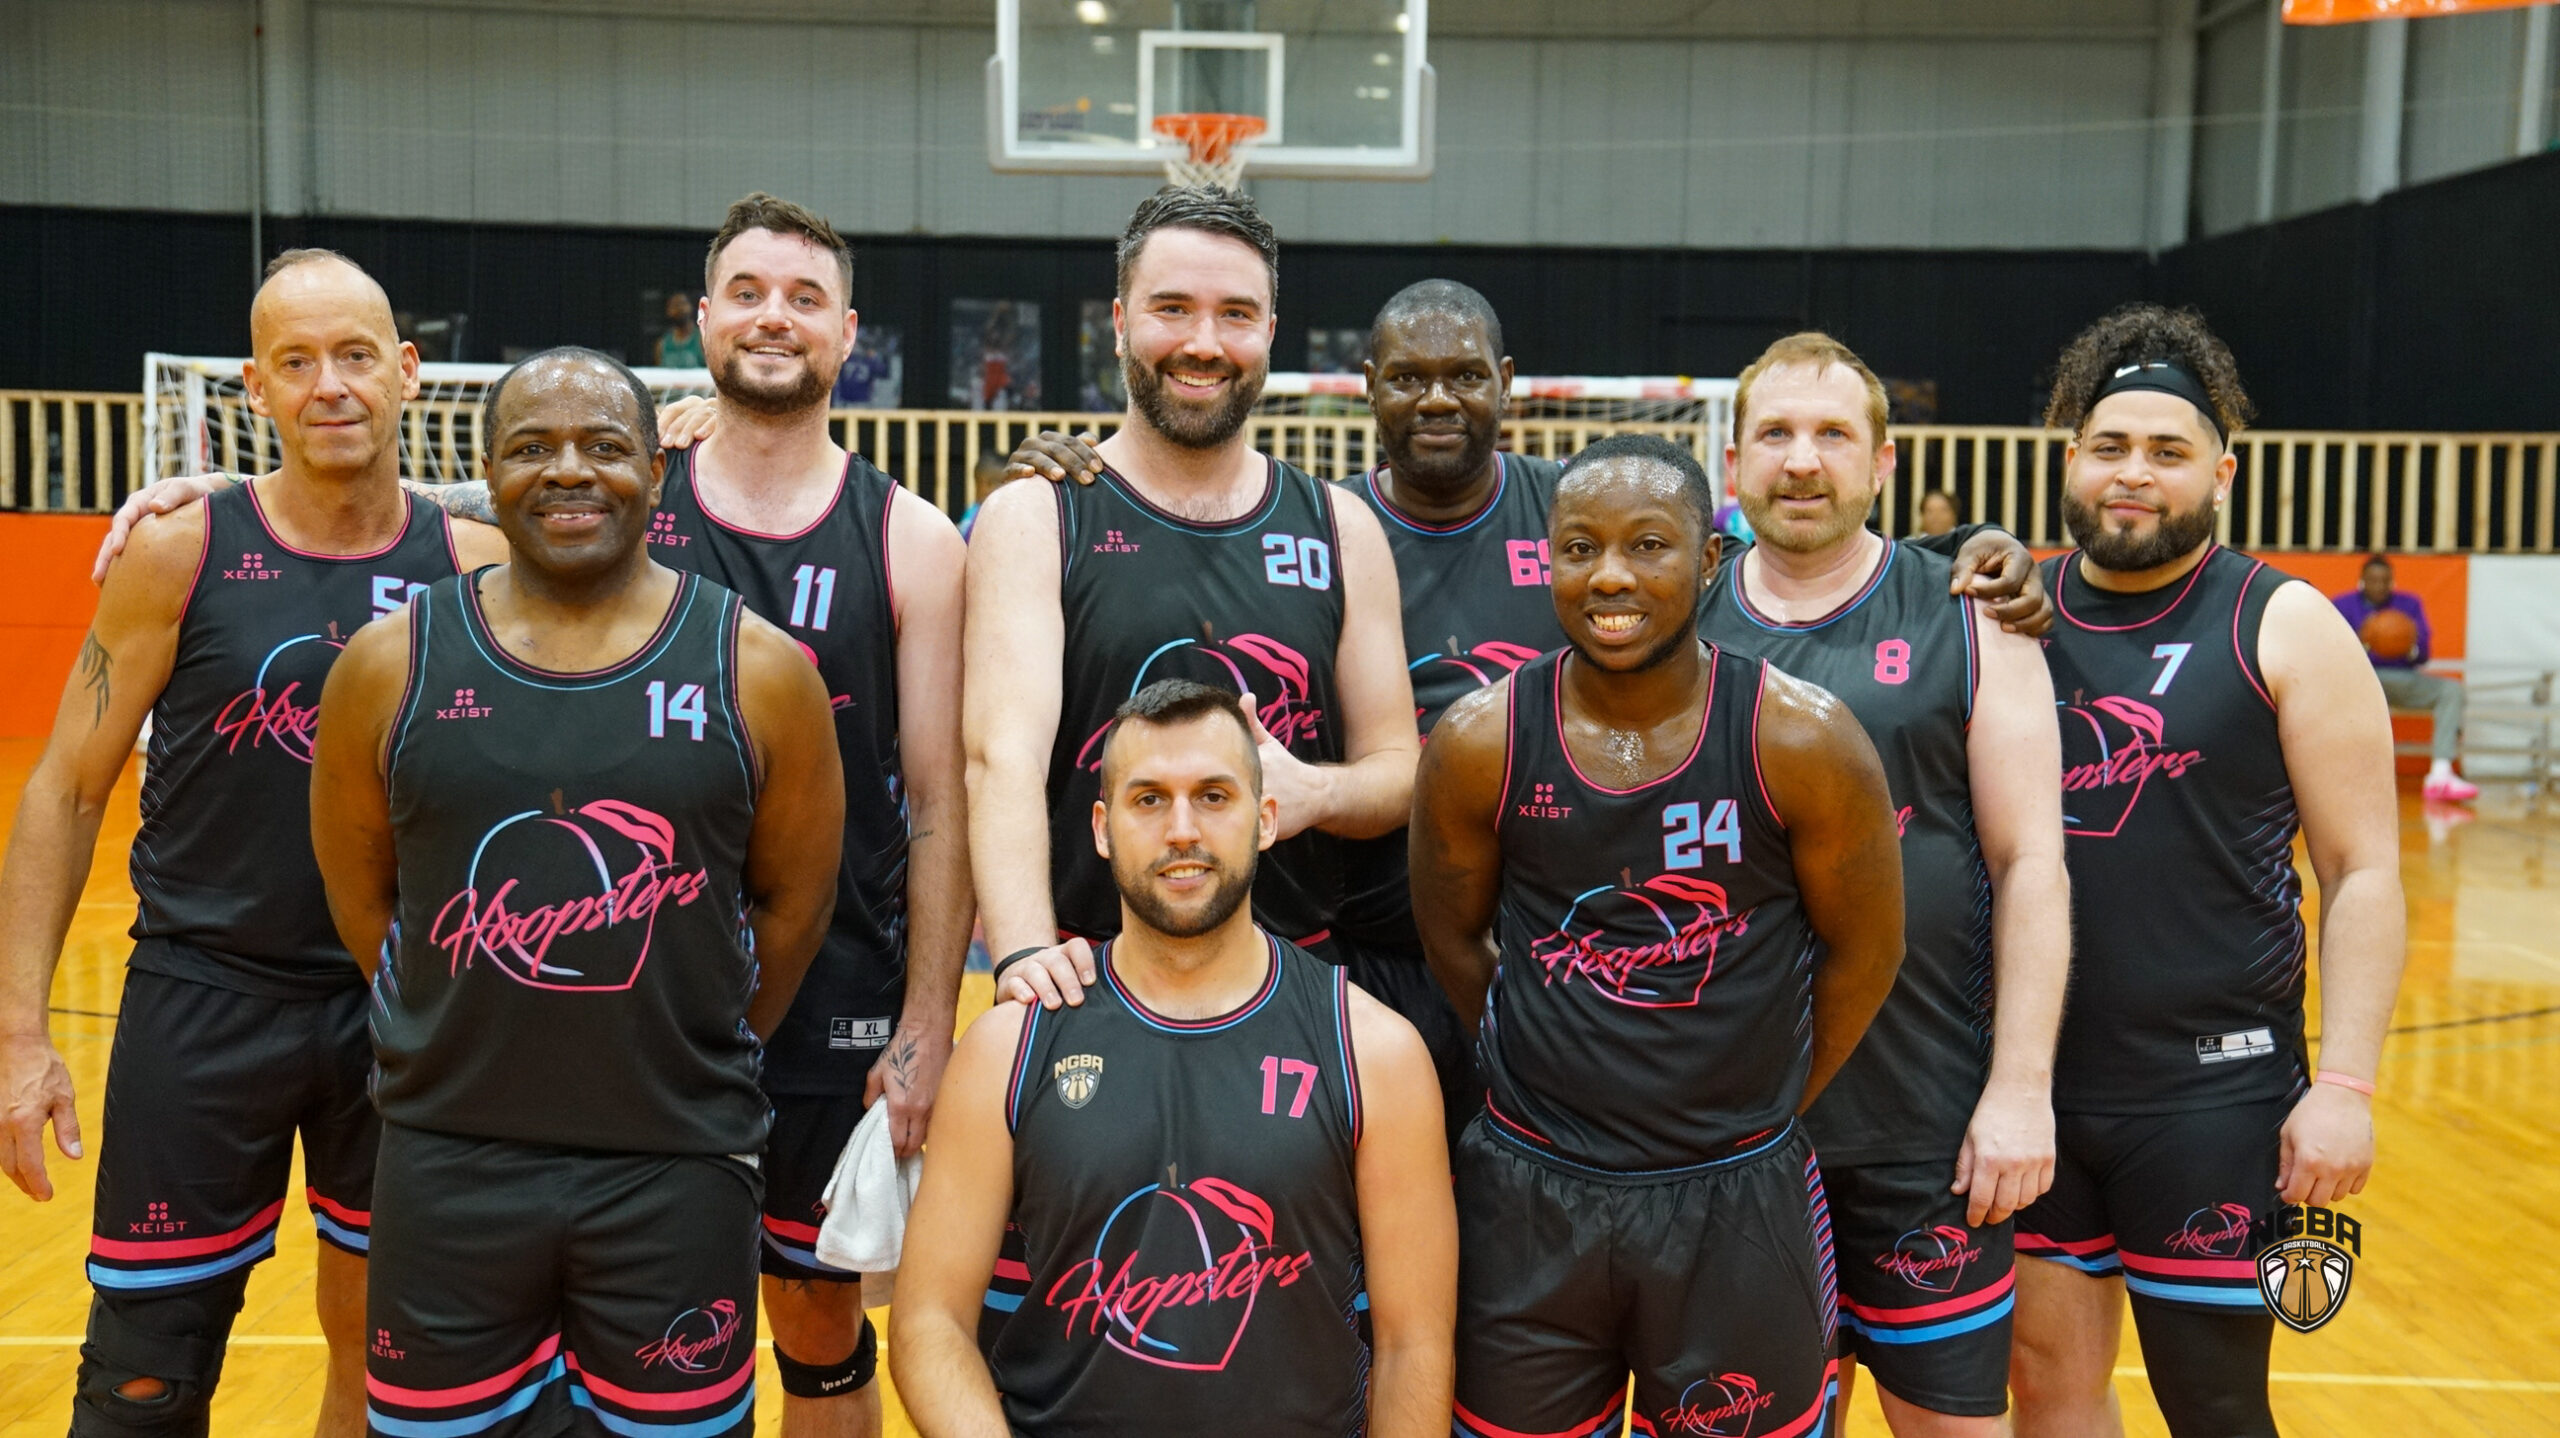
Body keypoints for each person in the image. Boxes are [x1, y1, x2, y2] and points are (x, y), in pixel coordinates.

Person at [993, 285, 2055, 1154]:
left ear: (1508, 386)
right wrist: (1077, 463)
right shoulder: (1327, 529)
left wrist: (1969, 551)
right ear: (1366, 391)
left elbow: (1733, 551)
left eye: (1464, 375)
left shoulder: (1577, 511)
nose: (1438, 399)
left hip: (1558, 970)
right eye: (1408, 377)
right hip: (1356, 956)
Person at [0, 249, 504, 1438]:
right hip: (202, 995)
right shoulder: (181, 549)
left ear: (409, 372)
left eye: (355, 355)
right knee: (142, 1376)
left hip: (401, 1008)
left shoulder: (476, 573)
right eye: (296, 362)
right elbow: (68, 790)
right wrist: (22, 1031)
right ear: (254, 389)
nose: (330, 385)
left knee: (391, 1367)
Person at [310, 346, 844, 1438]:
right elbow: (367, 904)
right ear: (485, 469)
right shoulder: (386, 665)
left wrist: (692, 1043)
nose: (568, 472)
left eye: (603, 447)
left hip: (676, 1167)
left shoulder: (759, 670)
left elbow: (791, 913)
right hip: (448, 1161)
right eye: (532, 447)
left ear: (655, 469)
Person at [1408, 433, 1908, 1438]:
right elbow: (1455, 946)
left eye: (1647, 545)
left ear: (1709, 558)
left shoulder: (1800, 738)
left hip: (1736, 1195)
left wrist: (1762, 1099)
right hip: (1531, 1189)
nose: (1610, 576)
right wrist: (1547, 1063)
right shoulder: (1478, 742)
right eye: (1579, 547)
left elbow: (1867, 952)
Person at [2007, 306, 2405, 1438]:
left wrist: (2347, 1088)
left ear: (2220, 473)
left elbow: (2363, 869)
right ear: (2070, 457)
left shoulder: (2281, 622)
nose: (2135, 474)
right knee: (2047, 1388)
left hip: (2212, 1097)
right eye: (2111, 446)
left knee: (2217, 1404)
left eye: (2168, 452)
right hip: (2033, 1089)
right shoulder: (2007, 615)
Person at [890, 680, 1456, 1438]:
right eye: (1149, 799)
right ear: (1101, 828)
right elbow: (929, 1324)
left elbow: (1412, 1347)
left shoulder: (1374, 1052)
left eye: (1214, 796)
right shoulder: (1012, 1046)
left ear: (1266, 819)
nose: (1181, 830)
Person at [1700, 332, 2071, 1435]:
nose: (1801, 461)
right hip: (1740, 1136)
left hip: (1927, 1126)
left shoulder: (1970, 612)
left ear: (1883, 464)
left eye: (1831, 435)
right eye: (1774, 434)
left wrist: (2018, 1087)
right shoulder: (1681, 630)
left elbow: (2031, 863)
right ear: (1731, 467)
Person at [963, 185, 1418, 1014]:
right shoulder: (1035, 515)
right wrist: (1026, 954)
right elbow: (1002, 761)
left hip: (1293, 988)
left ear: (1270, 332)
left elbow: (1400, 770)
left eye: (1235, 314)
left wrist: (1314, 791)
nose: (1204, 343)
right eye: (1172, 308)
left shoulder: (1341, 527)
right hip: (1088, 982)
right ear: (1119, 319)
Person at [2333, 554, 2476, 802]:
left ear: (2392, 582)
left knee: (2451, 691)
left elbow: (2423, 656)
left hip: (2402, 678)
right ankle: (2339, 773)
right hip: (2360, 680)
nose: (2379, 586)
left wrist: (2405, 642)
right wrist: (2364, 641)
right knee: (2325, 692)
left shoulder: (2409, 605)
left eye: (2385, 580)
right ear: (2362, 581)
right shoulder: (2342, 605)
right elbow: (2331, 651)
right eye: (2373, 580)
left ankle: (2441, 775)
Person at [658, 291, 705, 368]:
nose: (679, 308)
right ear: (668, 311)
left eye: (683, 303)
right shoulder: (662, 345)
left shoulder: (702, 340)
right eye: (674, 305)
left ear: (691, 307)